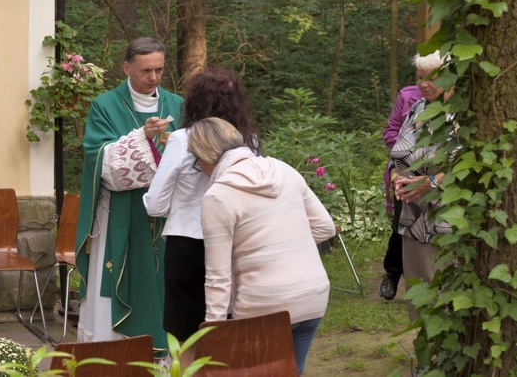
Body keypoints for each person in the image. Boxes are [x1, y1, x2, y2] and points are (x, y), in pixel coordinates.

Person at [188, 117, 336, 376]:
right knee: (292, 371)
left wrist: (213, 333)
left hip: (262, 306)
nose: (199, 167)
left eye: (196, 161)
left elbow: (218, 277)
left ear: (205, 156)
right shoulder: (284, 169)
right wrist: (283, 247)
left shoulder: (217, 197)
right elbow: (326, 227)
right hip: (312, 295)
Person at [74, 37, 183, 354]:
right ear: (126, 67)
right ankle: (113, 357)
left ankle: (164, 361)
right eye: (146, 70)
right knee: (119, 282)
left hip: (166, 219)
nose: (153, 78)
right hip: (121, 215)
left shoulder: (176, 105)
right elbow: (100, 162)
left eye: (159, 70)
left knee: (163, 288)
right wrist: (142, 138)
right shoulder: (104, 106)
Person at [142, 68, 259, 356]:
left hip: (188, 245)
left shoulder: (183, 139)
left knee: (185, 340)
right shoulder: (250, 140)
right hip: (235, 243)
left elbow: (155, 204)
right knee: (228, 333)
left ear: (194, 102)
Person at [391, 51, 456, 322]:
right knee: (417, 292)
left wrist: (428, 183)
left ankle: (448, 360)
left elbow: (464, 167)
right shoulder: (419, 108)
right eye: (420, 77)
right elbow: (398, 153)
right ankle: (424, 355)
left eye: (431, 77)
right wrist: (396, 175)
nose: (423, 84)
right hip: (412, 217)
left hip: (446, 219)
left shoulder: (461, 114)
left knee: (443, 291)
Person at [379, 83, 422, 300]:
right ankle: (393, 273)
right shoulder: (407, 95)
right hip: (404, 173)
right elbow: (390, 132)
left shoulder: (454, 96)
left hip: (437, 175)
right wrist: (409, 150)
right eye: (421, 76)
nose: (425, 82)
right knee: (401, 226)